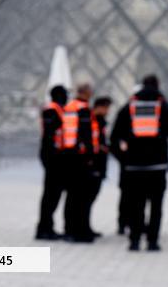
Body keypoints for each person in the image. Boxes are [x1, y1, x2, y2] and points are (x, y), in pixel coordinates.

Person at [111, 74, 168, 252]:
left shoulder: (128, 108)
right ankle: (152, 242)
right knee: (156, 207)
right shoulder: (164, 107)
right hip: (157, 167)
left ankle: (134, 241)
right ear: (158, 85)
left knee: (136, 205)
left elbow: (114, 137)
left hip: (133, 167)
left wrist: (124, 159)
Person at [35, 85, 68, 240]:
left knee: (53, 194)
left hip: (55, 156)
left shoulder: (57, 110)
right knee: (50, 194)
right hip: (52, 157)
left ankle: (47, 227)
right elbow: (50, 135)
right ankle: (44, 228)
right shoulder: (51, 110)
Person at [62, 83, 94, 242]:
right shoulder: (83, 109)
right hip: (80, 157)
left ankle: (69, 229)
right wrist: (90, 156)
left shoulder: (68, 107)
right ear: (86, 93)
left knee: (71, 196)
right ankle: (79, 231)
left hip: (68, 154)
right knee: (81, 197)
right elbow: (86, 134)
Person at [80, 96, 112, 238]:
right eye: (106, 108)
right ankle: (83, 228)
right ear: (100, 107)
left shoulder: (99, 122)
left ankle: (86, 227)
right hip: (92, 164)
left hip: (98, 164)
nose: (107, 111)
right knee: (86, 199)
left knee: (90, 198)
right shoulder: (92, 121)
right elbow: (90, 142)